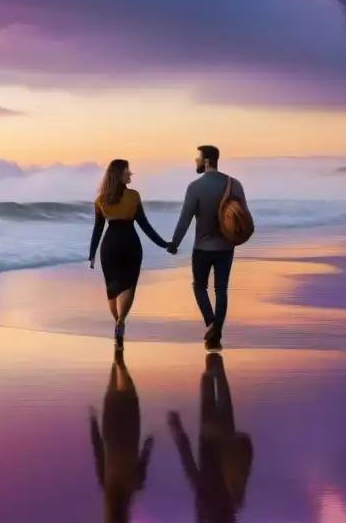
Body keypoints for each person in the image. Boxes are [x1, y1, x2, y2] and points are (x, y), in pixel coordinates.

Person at [168, 145, 250, 351]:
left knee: (199, 286)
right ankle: (217, 330)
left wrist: (174, 243)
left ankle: (211, 324)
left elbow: (185, 219)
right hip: (225, 248)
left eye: (198, 158)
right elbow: (244, 217)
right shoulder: (234, 184)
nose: (195, 161)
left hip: (202, 248)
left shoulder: (195, 187)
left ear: (206, 161)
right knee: (221, 289)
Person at [90, 158, 170, 348]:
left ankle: (116, 322)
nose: (130, 174)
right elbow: (145, 225)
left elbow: (98, 229)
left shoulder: (100, 200)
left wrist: (92, 253)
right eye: (127, 171)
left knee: (112, 288)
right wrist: (164, 244)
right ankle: (121, 322)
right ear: (119, 174)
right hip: (130, 244)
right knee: (128, 285)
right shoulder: (133, 196)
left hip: (109, 247)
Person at [167, 353, 254, 522]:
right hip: (210, 435)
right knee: (209, 374)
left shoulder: (233, 499)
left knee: (218, 371)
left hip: (226, 435)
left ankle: (214, 341)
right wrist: (177, 430)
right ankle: (210, 341)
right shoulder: (206, 503)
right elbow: (190, 466)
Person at [89, 349, 155, 523]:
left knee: (123, 378)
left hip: (127, 429)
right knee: (116, 376)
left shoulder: (133, 486)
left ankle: (119, 349)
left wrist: (150, 442)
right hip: (113, 428)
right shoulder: (109, 485)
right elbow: (98, 451)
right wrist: (93, 422)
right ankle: (118, 347)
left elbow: (144, 457)